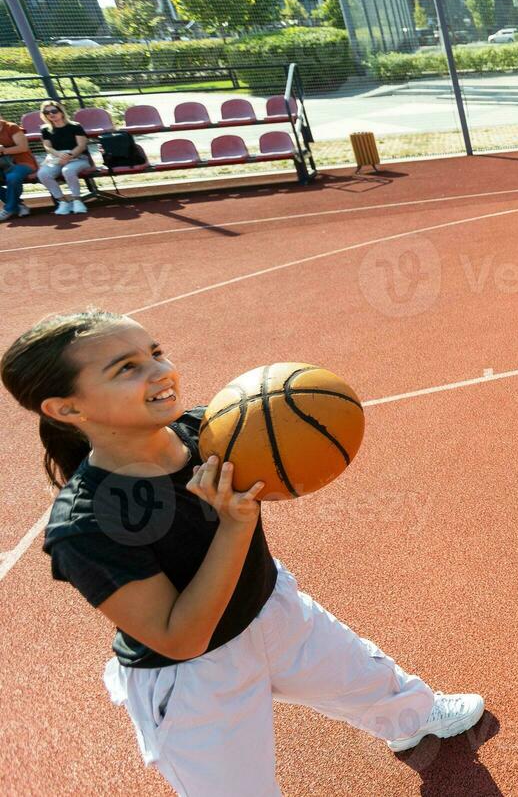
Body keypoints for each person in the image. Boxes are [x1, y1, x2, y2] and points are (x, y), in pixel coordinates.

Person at [2, 309, 485, 796]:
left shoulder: (212, 430)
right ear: (66, 409)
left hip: (271, 604)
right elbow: (180, 637)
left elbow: (282, 468)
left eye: (155, 352)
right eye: (126, 368)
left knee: (366, 676)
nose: (159, 371)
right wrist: (235, 526)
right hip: (195, 680)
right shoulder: (86, 524)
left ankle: (414, 717)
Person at [36, 100, 92, 215]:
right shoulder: (45, 129)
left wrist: (69, 156)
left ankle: (77, 200)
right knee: (43, 174)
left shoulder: (75, 126)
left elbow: (81, 145)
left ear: (61, 112)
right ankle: (63, 202)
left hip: (78, 158)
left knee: (68, 170)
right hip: (56, 159)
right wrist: (59, 155)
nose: (51, 114)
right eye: (47, 112)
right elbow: (47, 147)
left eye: (54, 111)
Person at [0, 112, 32, 221]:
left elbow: (23, 147)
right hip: (2, 165)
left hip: (22, 162)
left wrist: (3, 150)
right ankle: (18, 206)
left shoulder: (11, 127)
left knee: (13, 177)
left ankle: (8, 209)